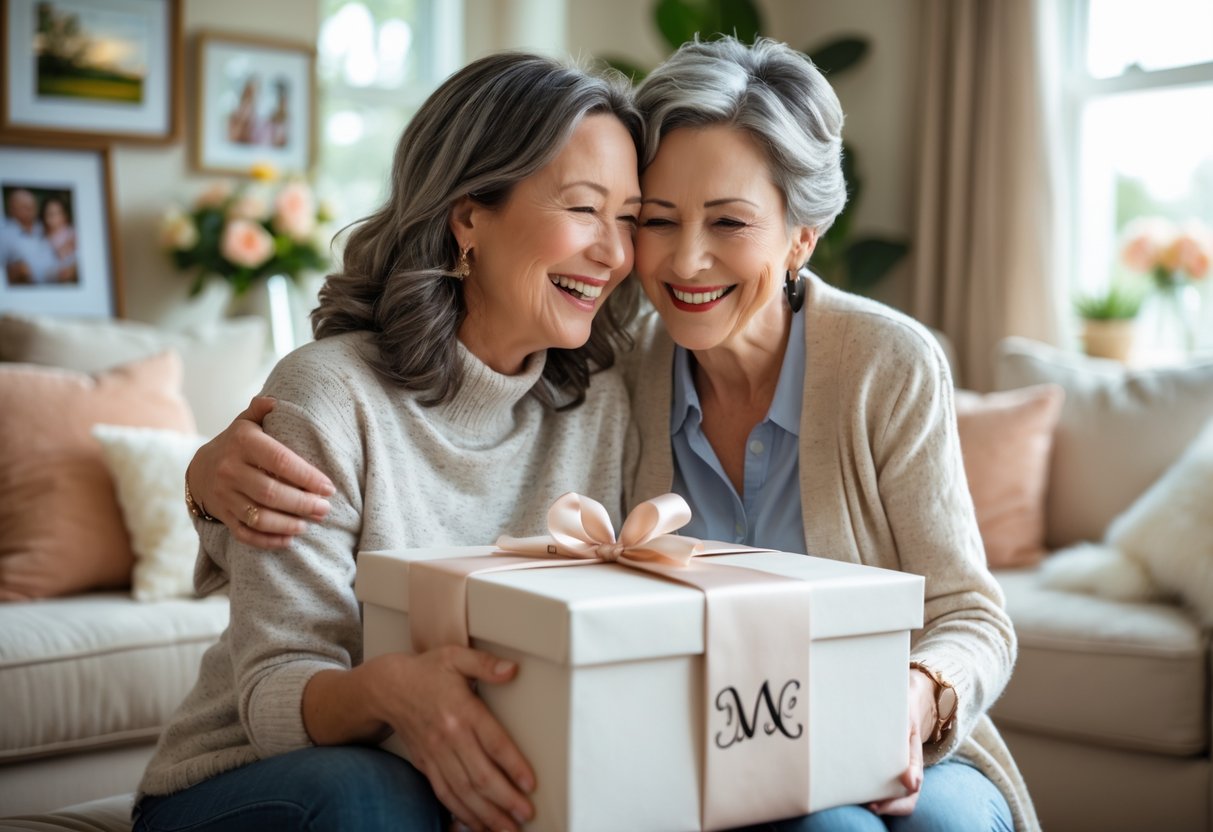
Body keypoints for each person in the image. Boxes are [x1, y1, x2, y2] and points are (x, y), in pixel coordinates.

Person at [186, 38, 1039, 832]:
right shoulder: (610, 371)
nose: (670, 260)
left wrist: (913, 699)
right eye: (651, 219)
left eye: (726, 223)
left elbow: (970, 612)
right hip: (385, 765)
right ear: (466, 216)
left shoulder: (628, 379)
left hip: (860, 729)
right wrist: (204, 480)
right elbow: (283, 660)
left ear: (801, 237)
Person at [134, 52, 643, 832]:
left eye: (631, 219)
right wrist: (392, 691)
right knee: (378, 797)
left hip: (470, 779)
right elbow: (275, 693)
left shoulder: (604, 397)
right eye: (583, 209)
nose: (614, 253)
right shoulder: (328, 396)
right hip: (256, 781)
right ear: (468, 214)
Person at [1, 188, 56, 285]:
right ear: (12, 209)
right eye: (25, 207)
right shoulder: (4, 233)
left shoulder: (43, 226)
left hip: (57, 286)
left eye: (33, 206)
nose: (31, 210)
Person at [41, 195, 77, 283]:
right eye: (50, 214)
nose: (53, 218)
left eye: (58, 213)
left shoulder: (74, 233)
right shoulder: (42, 240)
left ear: (65, 215)